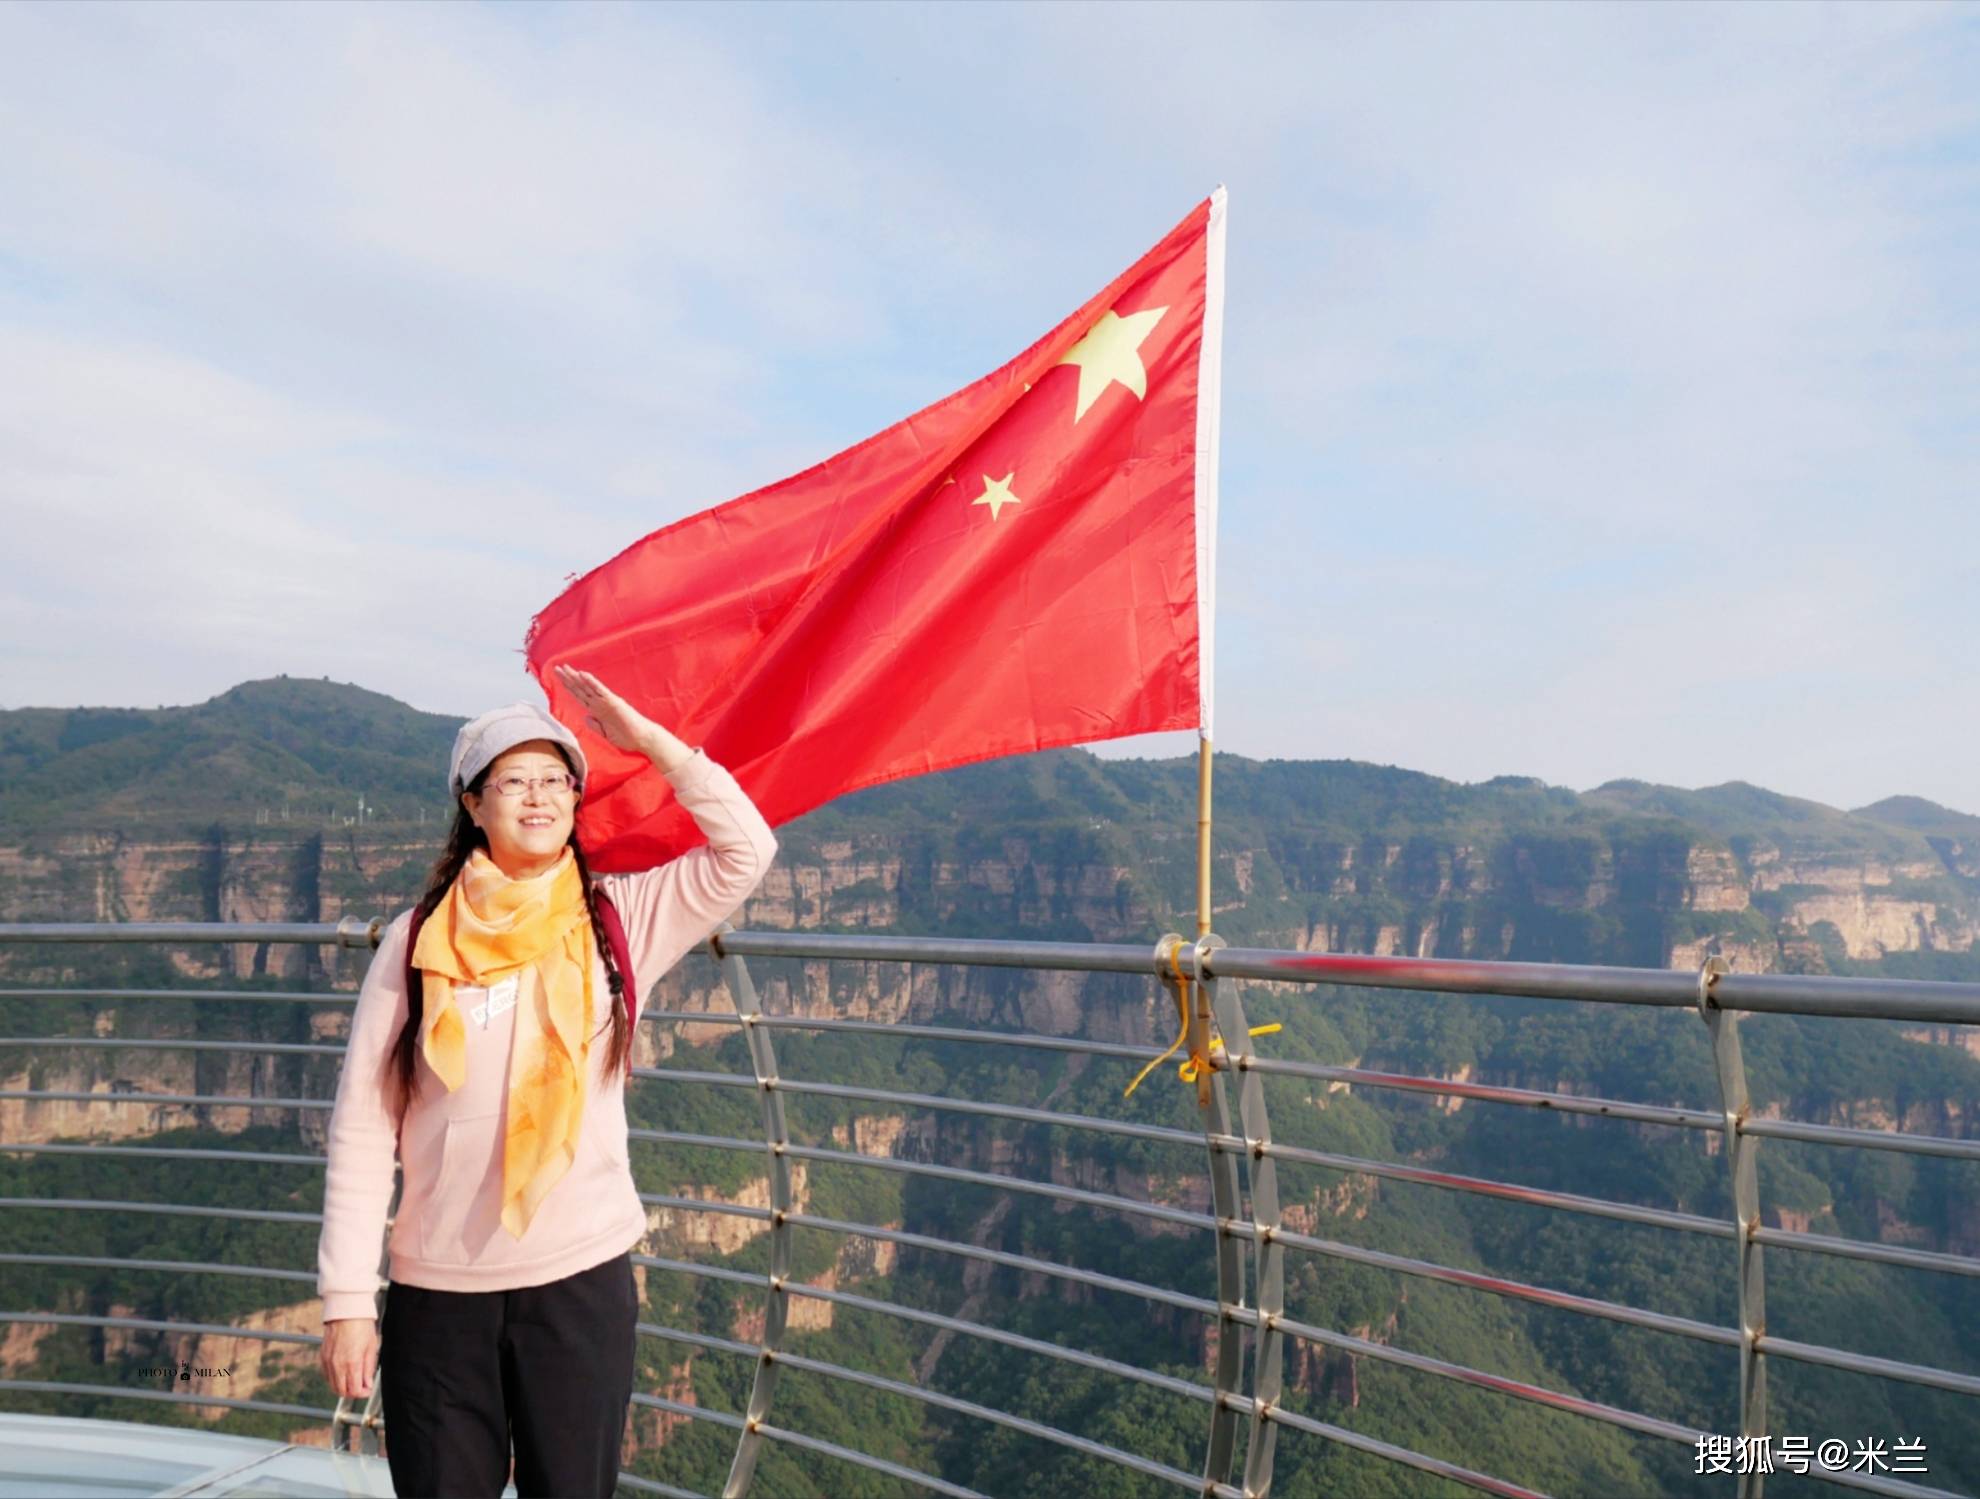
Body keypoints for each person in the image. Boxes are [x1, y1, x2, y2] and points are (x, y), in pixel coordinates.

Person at [316, 665, 776, 1497]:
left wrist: (653, 744)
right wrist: (348, 1298)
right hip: (440, 1290)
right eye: (513, 780)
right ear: (472, 803)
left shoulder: (618, 917)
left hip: (579, 1286)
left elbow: (748, 849)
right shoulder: (415, 942)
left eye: (556, 779)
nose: (538, 798)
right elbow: (361, 1125)